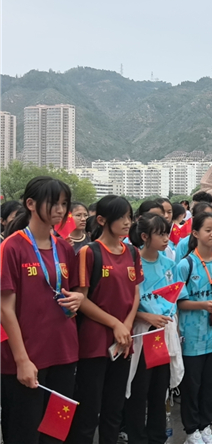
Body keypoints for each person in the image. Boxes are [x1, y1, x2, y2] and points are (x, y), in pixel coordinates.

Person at [1, 176, 84, 443]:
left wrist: (77, 299)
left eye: (64, 204)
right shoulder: (11, 247)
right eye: (54, 203)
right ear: (30, 204)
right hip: (27, 357)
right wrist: (22, 361)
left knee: (56, 432)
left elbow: (73, 291)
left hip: (63, 353)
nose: (61, 210)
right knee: (25, 434)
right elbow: (5, 309)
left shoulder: (64, 247)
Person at [68, 195, 143, 444]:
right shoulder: (89, 252)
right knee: (89, 410)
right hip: (94, 343)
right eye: (120, 217)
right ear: (101, 220)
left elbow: (135, 292)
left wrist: (127, 325)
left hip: (123, 341)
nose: (127, 222)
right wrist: (115, 324)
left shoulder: (132, 252)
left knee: (114, 408)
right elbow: (81, 298)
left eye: (129, 217)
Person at [175, 212, 212, 444]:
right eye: (208, 230)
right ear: (195, 233)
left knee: (211, 383)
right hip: (192, 335)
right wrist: (202, 304)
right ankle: (192, 431)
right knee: (192, 385)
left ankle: (206, 427)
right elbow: (179, 302)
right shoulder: (185, 265)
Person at [124, 213, 176, 444]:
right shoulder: (132, 263)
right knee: (139, 388)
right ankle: (136, 437)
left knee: (159, 387)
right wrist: (144, 316)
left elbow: (174, 297)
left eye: (167, 234)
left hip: (163, 333)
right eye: (160, 234)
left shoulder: (169, 264)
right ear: (144, 236)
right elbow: (124, 302)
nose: (166, 239)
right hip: (140, 333)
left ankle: (157, 436)